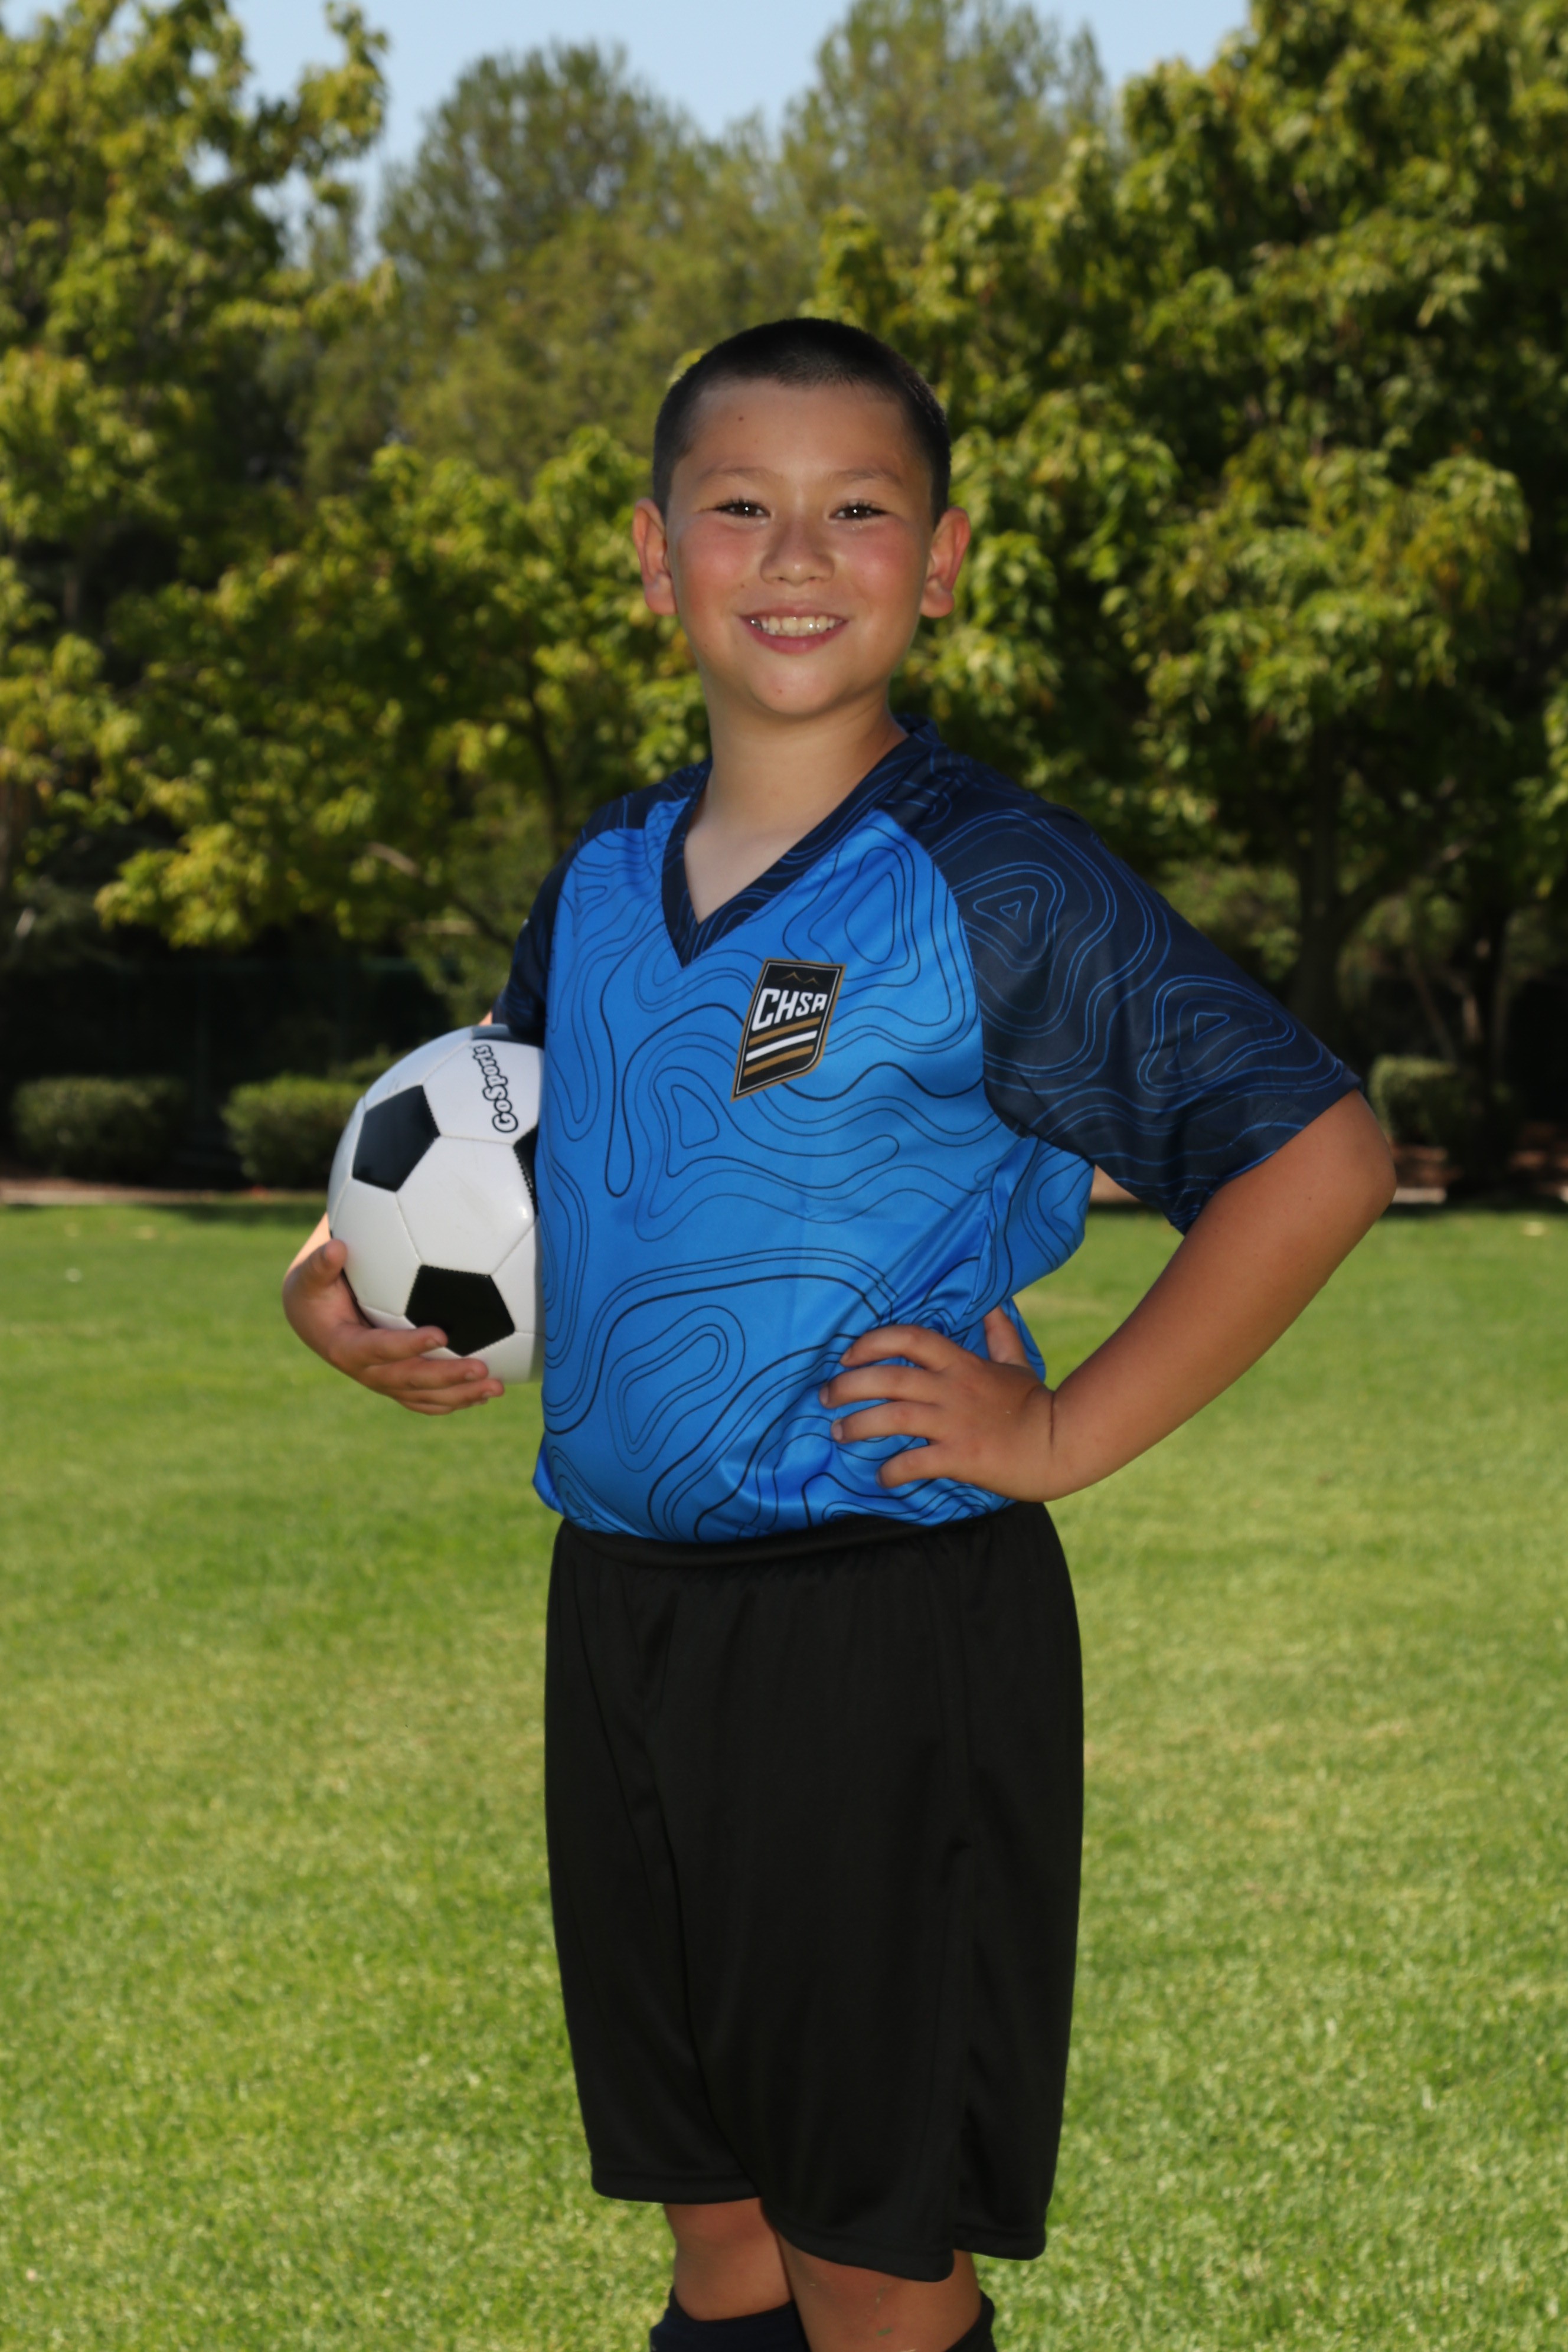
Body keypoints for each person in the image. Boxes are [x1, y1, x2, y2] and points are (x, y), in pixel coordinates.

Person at [283, 318, 1396, 2352]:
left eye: (858, 509)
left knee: (871, 2259)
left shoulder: (993, 882)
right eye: (743, 507)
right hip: (621, 1613)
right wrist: (326, 1281)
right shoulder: (602, 879)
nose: (798, 554)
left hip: (882, 1632)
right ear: (655, 557)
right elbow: (482, 1136)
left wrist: (1059, 1434)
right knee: (720, 2233)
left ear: (940, 561)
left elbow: (1317, 1154)